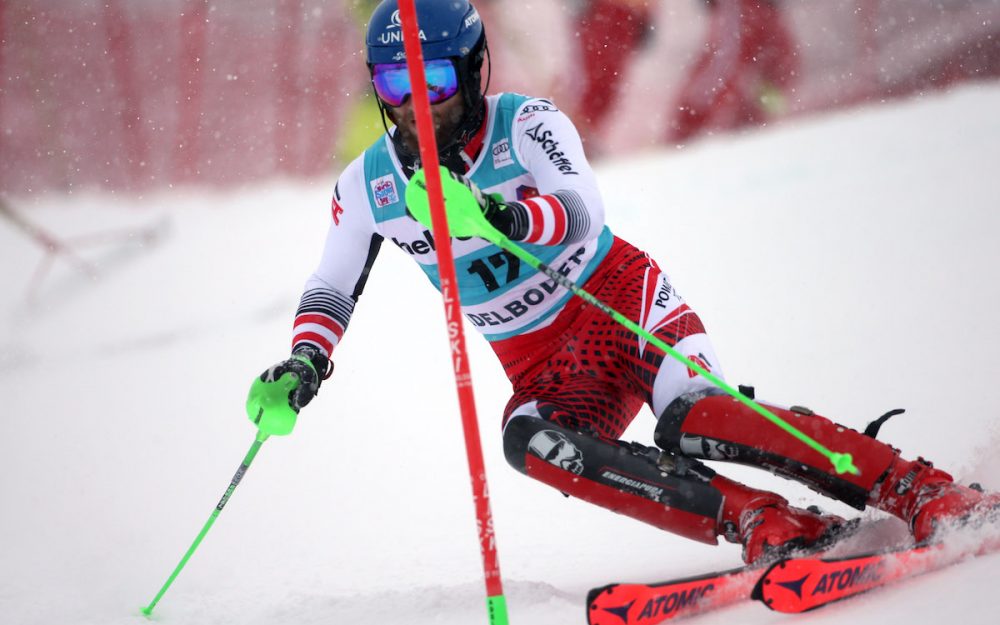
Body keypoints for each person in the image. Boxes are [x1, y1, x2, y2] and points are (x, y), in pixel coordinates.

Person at [251, 0, 998, 564]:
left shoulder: (527, 124)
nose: (416, 101)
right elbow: (331, 283)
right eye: (394, 81)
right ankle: (762, 520)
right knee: (530, 440)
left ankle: (916, 486)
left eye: (434, 78)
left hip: (621, 307)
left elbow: (581, 209)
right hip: (547, 365)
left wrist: (494, 214)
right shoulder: (369, 184)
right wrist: (304, 360)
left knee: (694, 420)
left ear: (474, 69)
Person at [668, 0, 798, 144]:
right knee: (729, 65)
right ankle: (686, 134)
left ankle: (750, 132)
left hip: (764, 8)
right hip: (749, 7)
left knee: (777, 67)